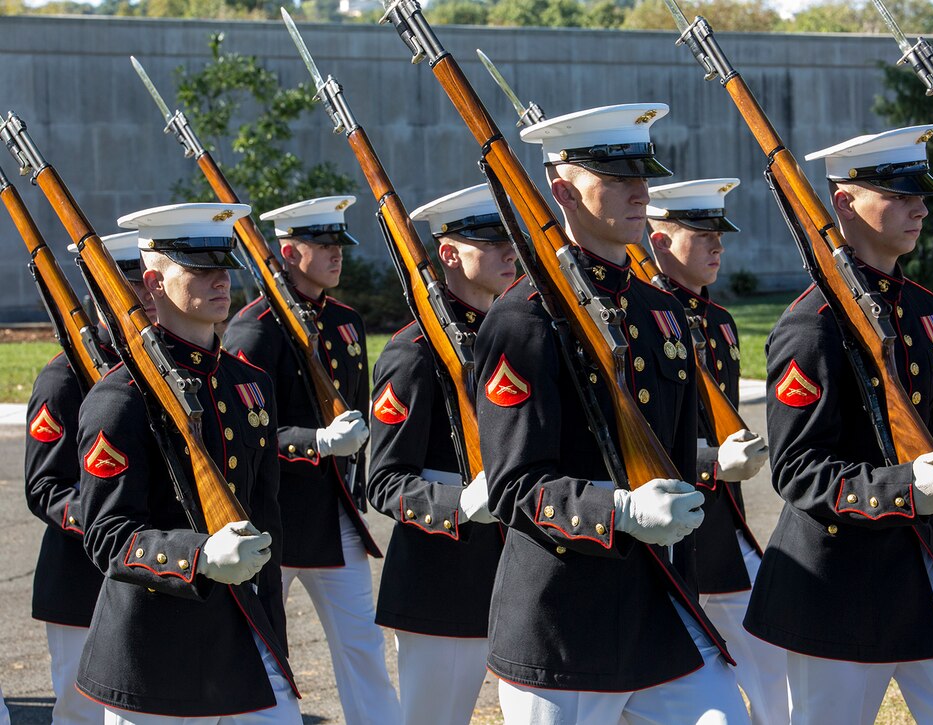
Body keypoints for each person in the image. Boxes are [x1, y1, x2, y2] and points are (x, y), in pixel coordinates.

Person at [475, 103, 749, 724]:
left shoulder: (661, 311)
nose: (639, 190)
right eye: (617, 178)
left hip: (657, 612)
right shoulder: (523, 320)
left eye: (641, 175)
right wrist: (619, 509)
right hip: (564, 622)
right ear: (563, 190)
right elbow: (515, 487)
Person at [742, 125, 933, 724]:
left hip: (918, 569)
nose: (920, 206)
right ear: (844, 203)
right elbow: (799, 471)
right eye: (898, 194)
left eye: (920, 193)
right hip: (835, 584)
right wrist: (902, 490)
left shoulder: (922, 309)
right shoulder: (810, 326)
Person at [75, 203, 300, 723]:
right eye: (199, 269)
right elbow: (107, 535)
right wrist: (198, 556)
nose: (220, 279)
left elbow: (266, 515)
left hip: (246, 643)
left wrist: (273, 631)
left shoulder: (249, 384)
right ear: (153, 282)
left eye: (223, 265)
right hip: (157, 659)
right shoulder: (122, 398)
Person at [223, 196, 399, 725]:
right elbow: (244, 435)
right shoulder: (255, 329)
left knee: (362, 645)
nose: (335, 255)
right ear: (287, 252)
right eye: (322, 246)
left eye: (337, 245)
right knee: (265, 649)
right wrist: (316, 442)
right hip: (276, 518)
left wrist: (355, 463)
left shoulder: (344, 321)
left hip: (333, 513)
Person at [367, 184, 514, 725]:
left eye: (508, 240)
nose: (508, 252)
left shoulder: (516, 335)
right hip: (443, 583)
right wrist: (458, 503)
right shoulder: (412, 352)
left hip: (520, 573)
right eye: (490, 242)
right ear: (449, 254)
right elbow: (383, 481)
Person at [646, 178, 784, 724]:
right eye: (700, 234)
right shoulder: (640, 321)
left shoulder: (720, 322)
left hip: (723, 527)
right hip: (665, 520)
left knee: (771, 663)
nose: (717, 245)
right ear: (658, 243)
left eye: (718, 234)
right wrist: (710, 463)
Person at [24, 231, 153, 725]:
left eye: (145, 283)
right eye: (129, 285)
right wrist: (105, 516)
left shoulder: (155, 367)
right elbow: (44, 488)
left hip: (143, 573)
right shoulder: (63, 378)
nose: (142, 295)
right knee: (81, 714)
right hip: (79, 577)